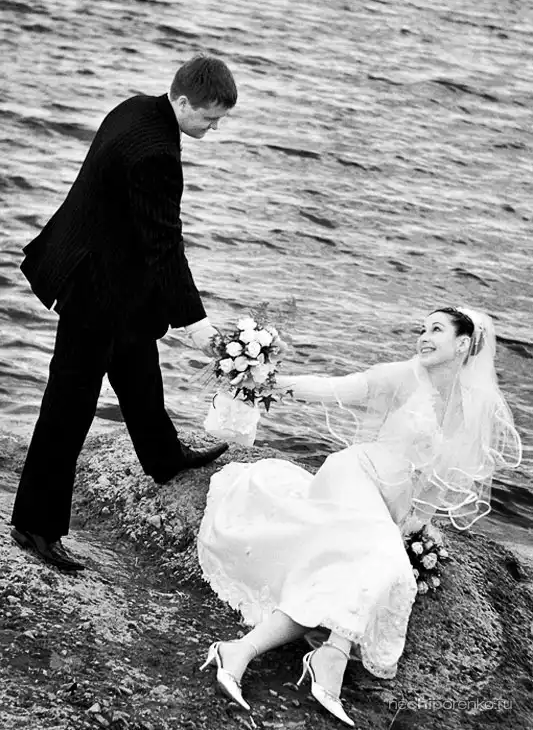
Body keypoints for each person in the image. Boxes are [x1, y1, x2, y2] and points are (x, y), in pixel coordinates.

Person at [197, 306, 521, 726]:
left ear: (463, 343)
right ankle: (330, 657)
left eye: (436, 330)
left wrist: (417, 524)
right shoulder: (401, 375)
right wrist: (266, 382)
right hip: (353, 475)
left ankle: (244, 651)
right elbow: (333, 388)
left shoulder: (472, 404)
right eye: (422, 328)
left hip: (384, 506)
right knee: (387, 563)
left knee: (357, 572)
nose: (424, 337)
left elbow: (441, 477)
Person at [11, 54, 238, 572]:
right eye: (210, 118)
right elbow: (165, 242)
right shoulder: (156, 152)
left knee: (137, 367)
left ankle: (163, 456)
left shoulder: (137, 108)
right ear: (184, 102)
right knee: (68, 410)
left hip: (109, 272)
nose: (214, 127)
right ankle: (35, 526)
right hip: (94, 290)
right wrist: (196, 322)